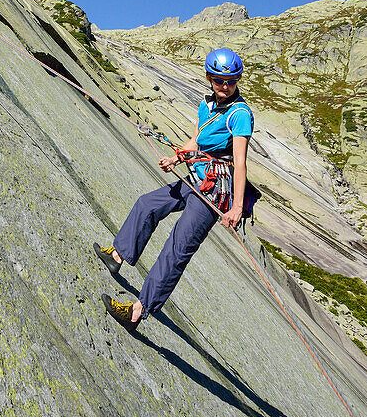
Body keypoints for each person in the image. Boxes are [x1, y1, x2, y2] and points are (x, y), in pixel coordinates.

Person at [94, 47, 253, 331]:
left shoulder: (240, 115)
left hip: (214, 192)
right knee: (148, 204)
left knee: (176, 249)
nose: (226, 86)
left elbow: (240, 163)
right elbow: (196, 139)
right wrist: (176, 158)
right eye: (219, 80)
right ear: (209, 78)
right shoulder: (206, 104)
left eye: (231, 81)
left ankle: (137, 313)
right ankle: (117, 256)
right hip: (196, 176)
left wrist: (237, 208)